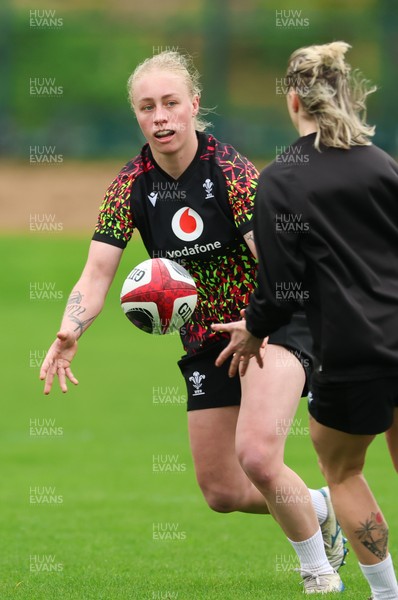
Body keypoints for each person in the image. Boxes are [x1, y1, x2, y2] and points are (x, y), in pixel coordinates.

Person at [40, 50, 345, 593]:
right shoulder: (130, 186)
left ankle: (319, 571)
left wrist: (260, 321)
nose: (160, 116)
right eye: (147, 107)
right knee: (222, 492)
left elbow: (276, 265)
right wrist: (70, 330)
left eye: (170, 103)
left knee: (257, 456)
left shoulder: (231, 173)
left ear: (193, 106)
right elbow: (95, 273)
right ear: (137, 115)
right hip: (208, 338)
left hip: (273, 320)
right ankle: (318, 505)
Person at [212, 41, 398, 600]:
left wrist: (253, 327)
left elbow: (279, 287)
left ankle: (386, 594)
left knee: (341, 473)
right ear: (345, 92)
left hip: (351, 353)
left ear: (293, 99)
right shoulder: (382, 164)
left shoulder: (282, 180)